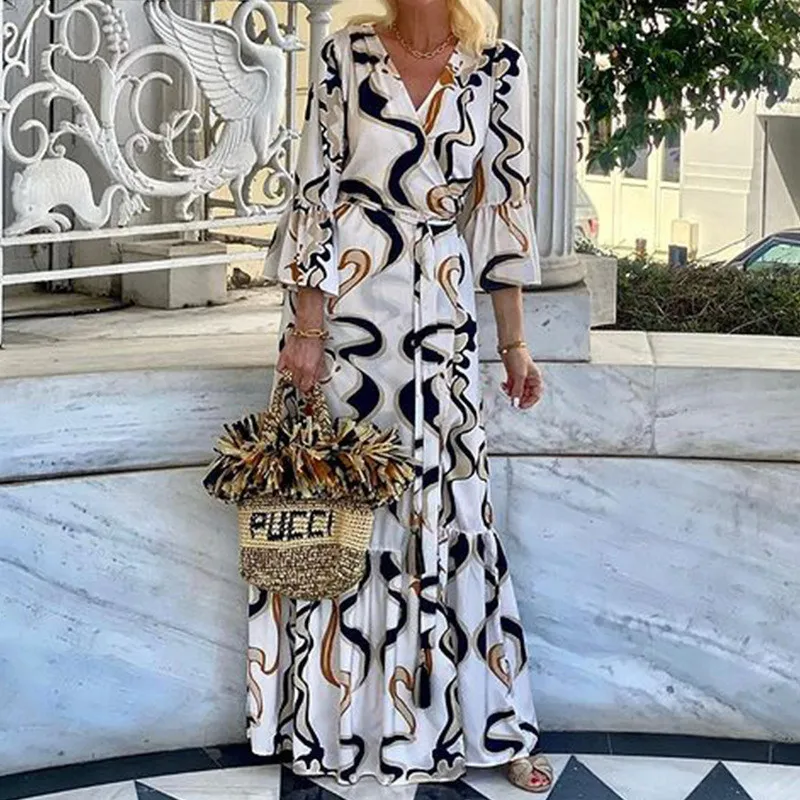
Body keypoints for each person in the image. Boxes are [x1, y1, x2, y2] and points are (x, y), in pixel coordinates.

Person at [250, 0, 553, 792]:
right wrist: (307, 329)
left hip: (442, 314)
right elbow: (314, 191)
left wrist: (515, 343)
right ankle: (336, 725)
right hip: (348, 313)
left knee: (455, 510)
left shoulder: (498, 66)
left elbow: (505, 204)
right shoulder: (348, 52)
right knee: (345, 506)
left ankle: (488, 723)